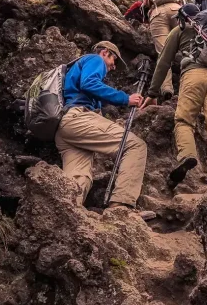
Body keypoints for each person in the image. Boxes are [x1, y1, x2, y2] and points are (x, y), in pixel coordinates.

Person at [54, 42, 153, 219]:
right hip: (78, 118)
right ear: (105, 52)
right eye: (113, 61)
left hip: (66, 128)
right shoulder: (94, 59)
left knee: (79, 177)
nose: (113, 67)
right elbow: (89, 83)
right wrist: (125, 98)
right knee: (134, 146)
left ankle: (64, 217)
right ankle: (121, 207)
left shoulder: (76, 69)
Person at [141, 4, 207, 186]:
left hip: (193, 75)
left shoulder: (179, 31)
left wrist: (152, 92)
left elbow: (163, 62)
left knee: (184, 121)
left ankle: (187, 155)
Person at [142, 0, 184, 99]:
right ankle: (191, 84)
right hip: (177, 10)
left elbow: (145, 4)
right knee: (187, 46)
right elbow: (181, 0)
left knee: (163, 53)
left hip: (157, 14)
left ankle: (166, 88)